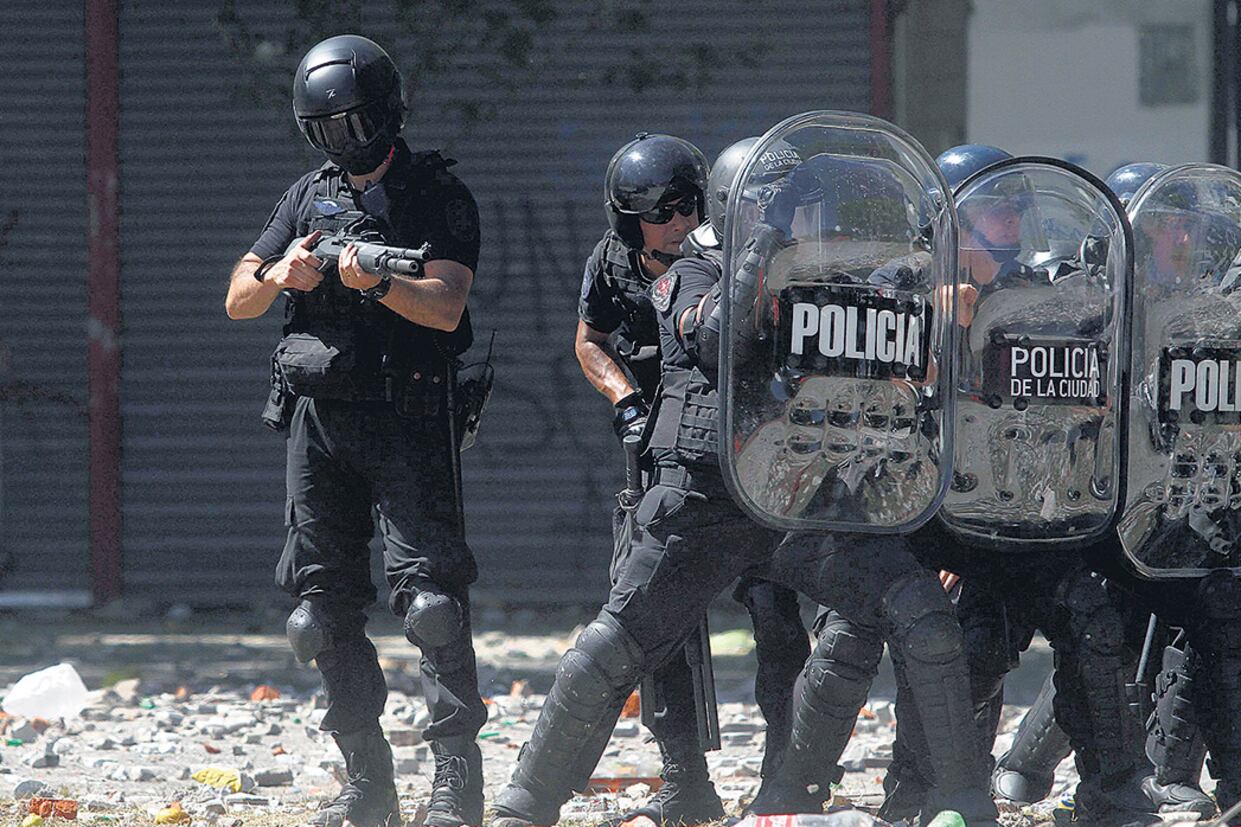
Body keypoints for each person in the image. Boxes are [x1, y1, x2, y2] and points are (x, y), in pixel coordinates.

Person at [490, 137, 1001, 827]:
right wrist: (758, 250)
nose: (786, 219)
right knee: (615, 645)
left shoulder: (828, 278)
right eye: (768, 206)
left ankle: (959, 800)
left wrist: (936, 311)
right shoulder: (688, 273)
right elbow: (715, 341)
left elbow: (898, 361)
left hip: (805, 500)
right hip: (707, 506)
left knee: (924, 621)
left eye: (794, 206)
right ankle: (527, 802)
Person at [225, 34, 485, 827]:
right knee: (318, 611)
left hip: (405, 414)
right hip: (319, 421)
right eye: (326, 128)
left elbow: (446, 304)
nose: (342, 141)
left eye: (353, 124)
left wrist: (377, 280)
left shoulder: (434, 194)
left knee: (431, 605)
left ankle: (455, 784)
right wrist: (283, 275)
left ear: (386, 114)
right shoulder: (305, 196)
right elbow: (239, 294)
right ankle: (366, 783)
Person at [872, 146, 1153, 826]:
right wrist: (943, 330)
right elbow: (884, 404)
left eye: (1012, 206)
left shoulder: (1041, 293)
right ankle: (924, 788)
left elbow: (1084, 392)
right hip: (944, 515)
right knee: (961, 645)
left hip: (1032, 512)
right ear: (950, 217)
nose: (1009, 216)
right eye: (993, 206)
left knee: (1092, 620)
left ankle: (1112, 791)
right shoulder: (900, 292)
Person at [573, 133, 810, 826]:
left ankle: (784, 772)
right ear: (629, 221)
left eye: (689, 205)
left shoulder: (727, 253)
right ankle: (685, 778)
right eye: (662, 211)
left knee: (776, 615)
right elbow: (588, 340)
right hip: (658, 448)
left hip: (742, 447)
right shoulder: (613, 261)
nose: (679, 222)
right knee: (651, 620)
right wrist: (625, 402)